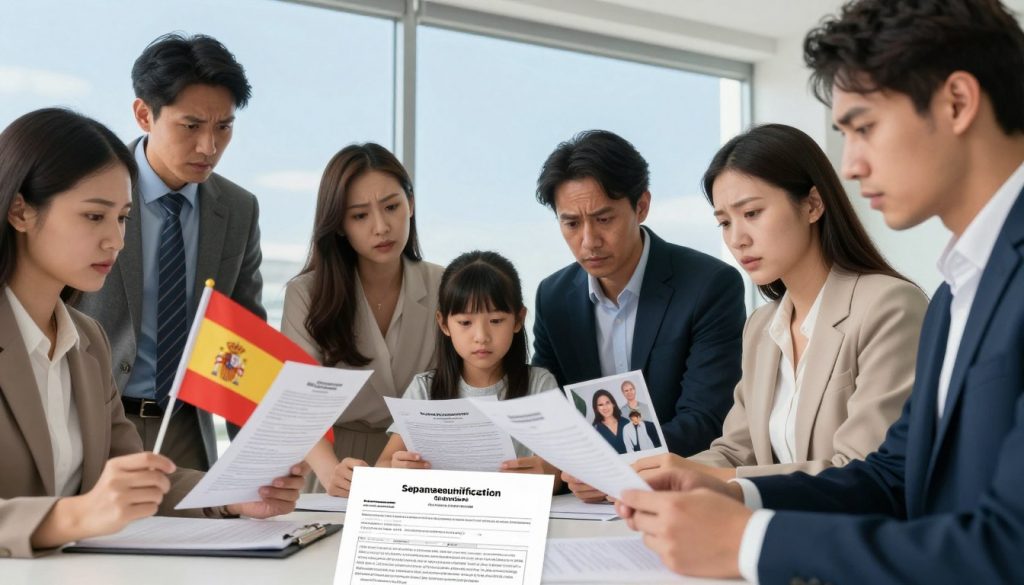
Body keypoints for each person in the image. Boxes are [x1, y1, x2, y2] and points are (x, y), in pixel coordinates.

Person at [616, 1, 1024, 582]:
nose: (851, 165)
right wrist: (730, 497)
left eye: (864, 127)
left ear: (957, 102)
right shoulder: (957, 294)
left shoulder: (909, 301)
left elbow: (1009, 547)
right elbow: (890, 478)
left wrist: (750, 541)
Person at [0, 108, 305, 559]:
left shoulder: (88, 340)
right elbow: (92, 506)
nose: (116, 241)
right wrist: (76, 516)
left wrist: (230, 494)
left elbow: (129, 476)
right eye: (93, 216)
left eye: (122, 218)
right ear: (20, 211)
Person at [630, 124, 927, 484]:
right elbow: (735, 452)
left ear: (813, 205)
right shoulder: (761, 327)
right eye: (724, 222)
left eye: (752, 213)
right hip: (775, 530)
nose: (737, 239)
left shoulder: (888, 306)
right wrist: (648, 473)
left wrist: (712, 478)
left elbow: (863, 470)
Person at [75, 33, 265, 471]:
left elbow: (243, 338)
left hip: (185, 430)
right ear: (144, 114)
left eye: (224, 127)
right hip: (92, 421)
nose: (209, 147)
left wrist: (254, 461)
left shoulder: (238, 209)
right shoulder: (86, 189)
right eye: (191, 126)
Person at [532, 130, 746, 465]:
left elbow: (707, 420)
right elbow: (549, 409)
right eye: (571, 223)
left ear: (641, 206)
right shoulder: (553, 297)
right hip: (584, 495)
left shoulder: (710, 285)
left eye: (604, 219)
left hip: (678, 485)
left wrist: (602, 463)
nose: (589, 241)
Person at [281, 143, 443, 496]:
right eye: (359, 216)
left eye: (391, 207)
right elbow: (300, 403)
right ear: (338, 224)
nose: (381, 227)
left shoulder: (444, 285)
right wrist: (329, 471)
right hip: (334, 465)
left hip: (415, 462)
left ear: (410, 204)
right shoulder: (306, 295)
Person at [375, 251, 563, 493]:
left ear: (518, 319)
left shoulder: (539, 385)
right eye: (465, 323)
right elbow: (383, 463)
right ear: (444, 324)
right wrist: (396, 469)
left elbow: (558, 473)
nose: (481, 337)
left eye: (496, 321)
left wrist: (546, 473)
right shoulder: (425, 389)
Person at [592, 389, 628, 454]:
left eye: (607, 403)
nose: (605, 407)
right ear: (596, 408)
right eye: (600, 405)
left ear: (613, 404)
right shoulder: (594, 430)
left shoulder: (626, 423)